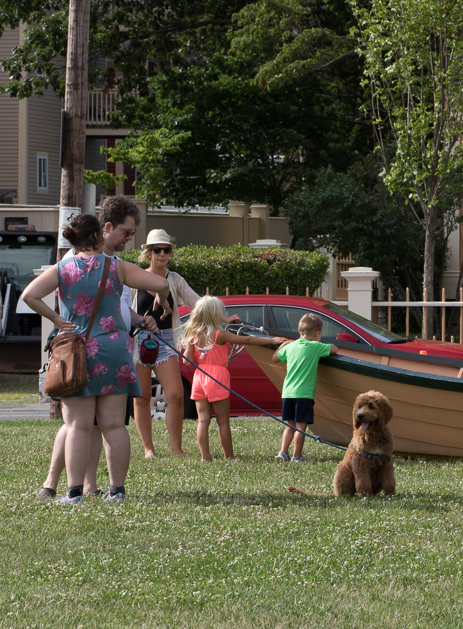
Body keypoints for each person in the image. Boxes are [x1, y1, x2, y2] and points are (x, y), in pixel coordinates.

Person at [22, 213, 170, 504]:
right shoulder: (117, 267)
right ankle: (117, 491)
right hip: (115, 350)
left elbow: (29, 295)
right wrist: (161, 301)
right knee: (114, 425)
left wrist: (56, 319)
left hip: (75, 352)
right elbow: (160, 284)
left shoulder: (62, 269)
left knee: (77, 425)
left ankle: (74, 492)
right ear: (96, 236)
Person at [132, 229, 240, 458]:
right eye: (157, 250)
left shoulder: (174, 279)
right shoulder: (136, 277)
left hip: (165, 341)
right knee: (141, 397)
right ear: (148, 253)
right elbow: (126, 308)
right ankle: (148, 449)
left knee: (176, 395)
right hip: (138, 341)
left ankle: (176, 448)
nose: (162, 254)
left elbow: (198, 303)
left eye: (166, 250)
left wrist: (224, 318)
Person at [182, 296, 287, 461]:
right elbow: (247, 339)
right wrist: (271, 339)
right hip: (216, 376)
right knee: (223, 421)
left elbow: (185, 360)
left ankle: (205, 457)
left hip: (199, 377)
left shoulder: (194, 337)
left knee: (203, 420)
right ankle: (229, 457)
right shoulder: (219, 335)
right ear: (214, 315)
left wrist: (191, 344)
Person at [272, 313, 341, 462]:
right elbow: (335, 349)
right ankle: (296, 456)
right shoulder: (315, 346)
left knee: (290, 425)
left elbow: (275, 358)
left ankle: (283, 452)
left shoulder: (291, 346)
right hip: (304, 394)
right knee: (300, 426)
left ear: (300, 331)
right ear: (317, 332)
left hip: (287, 393)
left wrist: (284, 344)